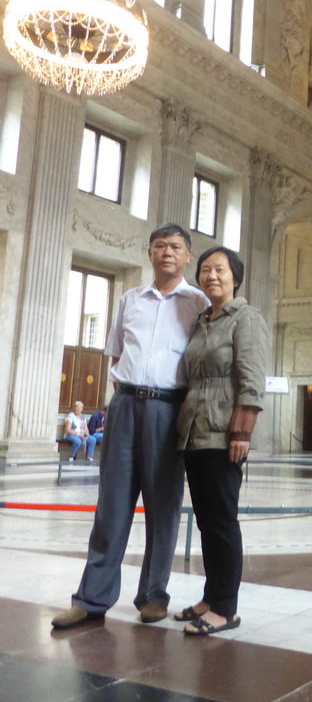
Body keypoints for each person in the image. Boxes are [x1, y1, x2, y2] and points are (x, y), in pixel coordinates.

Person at [52, 224, 208, 630]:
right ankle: (92, 598)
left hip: (168, 409)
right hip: (124, 404)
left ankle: (153, 596)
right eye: (160, 246)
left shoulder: (198, 303)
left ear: (188, 256)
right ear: (150, 253)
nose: (167, 253)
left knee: (163, 507)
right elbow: (115, 353)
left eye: (175, 247)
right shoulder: (129, 299)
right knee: (112, 505)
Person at [175, 246, 267, 636]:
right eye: (206, 270)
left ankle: (226, 607)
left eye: (221, 270)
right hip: (194, 432)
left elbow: (252, 378)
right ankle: (211, 597)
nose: (212, 275)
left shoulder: (245, 318)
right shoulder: (203, 321)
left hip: (223, 433)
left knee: (222, 522)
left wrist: (242, 432)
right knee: (207, 522)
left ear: (236, 277)